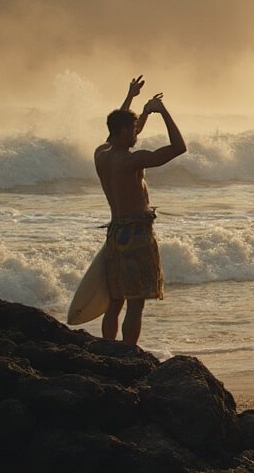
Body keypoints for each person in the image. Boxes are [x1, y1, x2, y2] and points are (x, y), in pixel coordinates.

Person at [94, 90, 186, 346]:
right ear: (125, 132)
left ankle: (108, 350)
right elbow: (179, 147)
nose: (137, 133)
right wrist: (163, 111)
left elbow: (117, 128)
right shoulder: (132, 161)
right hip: (136, 237)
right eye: (134, 129)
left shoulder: (101, 155)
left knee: (115, 300)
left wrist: (136, 105)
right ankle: (128, 353)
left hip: (114, 235)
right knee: (135, 304)